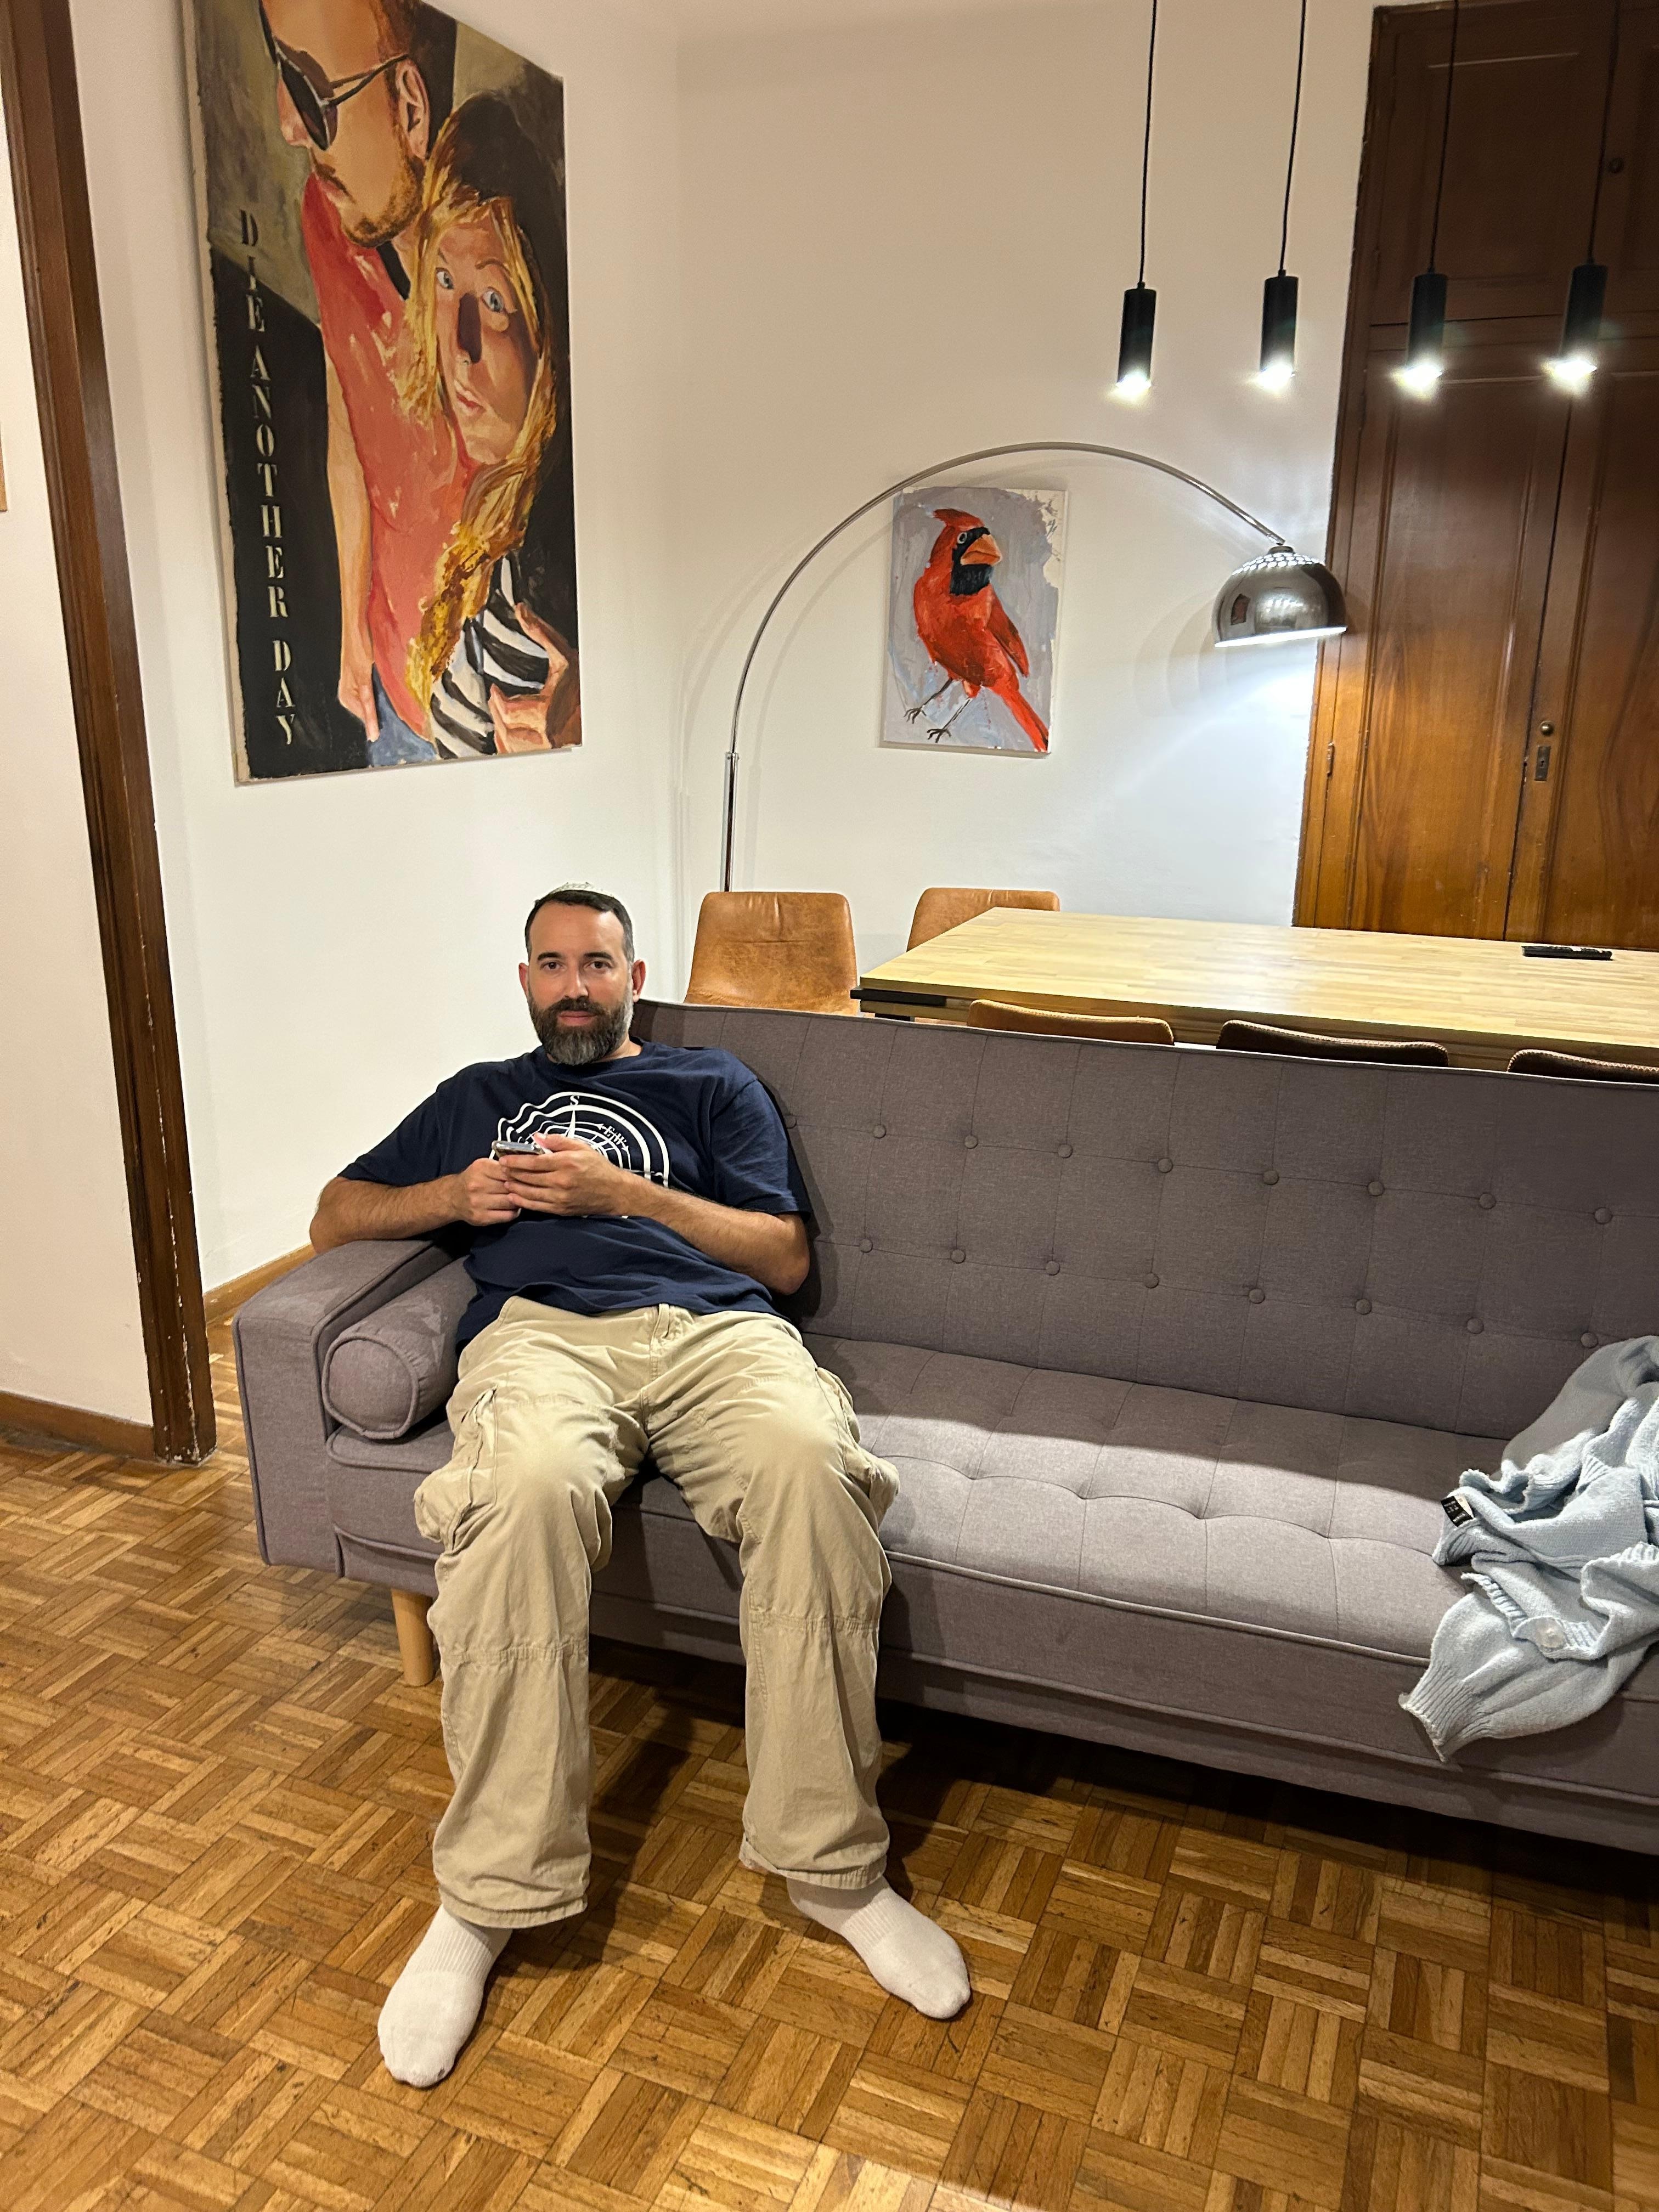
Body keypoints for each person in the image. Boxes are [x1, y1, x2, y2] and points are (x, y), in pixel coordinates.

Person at [309, 889, 971, 2086]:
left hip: (720, 1334)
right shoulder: (480, 1096)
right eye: (553, 964)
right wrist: (455, 1197)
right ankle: (487, 1898)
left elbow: (784, 1256)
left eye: (598, 964)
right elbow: (335, 1212)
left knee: (813, 1479)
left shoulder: (714, 1083)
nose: (575, 983)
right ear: (525, 981)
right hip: (546, 1340)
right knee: (518, 1496)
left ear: (635, 975)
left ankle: (836, 1873)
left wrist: (634, 1198)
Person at [261, 0, 467, 764]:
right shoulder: (326, 212)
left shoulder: (484, 255)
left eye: (312, 92)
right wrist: (353, 631)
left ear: (410, 105)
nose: (287, 123)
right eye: (284, 73)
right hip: (394, 694)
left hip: (493, 712)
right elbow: (349, 426)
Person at [399, 95, 580, 757]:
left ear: (546, 331)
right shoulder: (511, 503)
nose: (461, 342)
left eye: (496, 301)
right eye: (446, 283)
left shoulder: (544, 557)